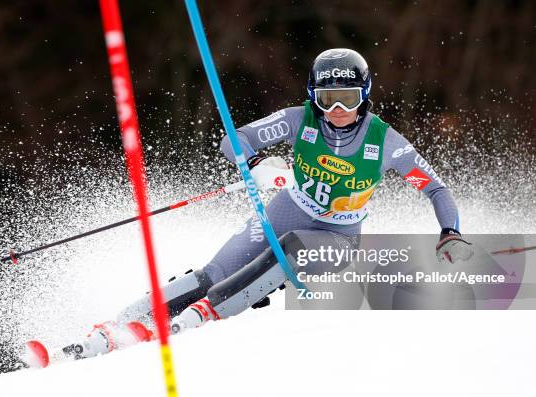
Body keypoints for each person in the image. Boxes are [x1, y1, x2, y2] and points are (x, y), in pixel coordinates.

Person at [57, 48, 473, 360]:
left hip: (339, 237)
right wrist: (256, 163)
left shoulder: (387, 143)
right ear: (314, 97)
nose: (339, 110)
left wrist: (450, 232)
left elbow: (436, 189)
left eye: (348, 97)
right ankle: (117, 324)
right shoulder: (298, 119)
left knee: (290, 249)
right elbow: (232, 140)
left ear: (364, 94)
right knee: (213, 272)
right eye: (328, 99)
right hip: (286, 208)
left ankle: (202, 316)